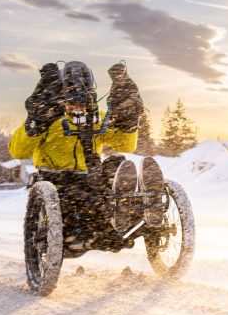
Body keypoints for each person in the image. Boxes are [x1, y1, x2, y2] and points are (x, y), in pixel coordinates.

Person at [9, 60, 164, 248]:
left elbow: (125, 145)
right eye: (71, 103)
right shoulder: (49, 119)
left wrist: (129, 123)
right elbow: (18, 151)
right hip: (56, 181)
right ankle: (111, 215)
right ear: (61, 99)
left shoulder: (96, 119)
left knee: (117, 163)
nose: (77, 108)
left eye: (83, 102)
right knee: (81, 198)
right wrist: (34, 123)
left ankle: (135, 207)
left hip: (91, 179)